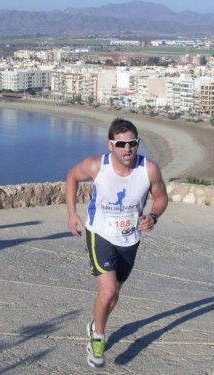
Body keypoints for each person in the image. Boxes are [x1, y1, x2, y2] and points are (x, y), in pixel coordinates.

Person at [66, 118, 168, 367]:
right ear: (111, 144)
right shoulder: (96, 166)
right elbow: (71, 177)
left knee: (114, 296)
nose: (127, 149)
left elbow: (161, 197)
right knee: (108, 290)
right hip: (99, 234)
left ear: (137, 143)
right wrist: (71, 213)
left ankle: (94, 323)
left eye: (132, 143)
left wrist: (153, 216)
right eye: (121, 144)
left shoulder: (149, 169)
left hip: (130, 239)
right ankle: (97, 340)